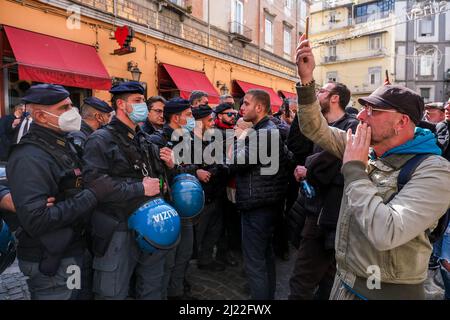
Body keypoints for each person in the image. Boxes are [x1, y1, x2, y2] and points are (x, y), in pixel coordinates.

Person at [295, 34, 450, 299]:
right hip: (345, 284)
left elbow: (387, 231)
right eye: (364, 107)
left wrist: (355, 170)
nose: (362, 116)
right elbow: (314, 128)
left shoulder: (434, 170)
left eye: (374, 111)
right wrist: (307, 81)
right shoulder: (363, 144)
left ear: (402, 122)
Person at [7, 84, 114, 300]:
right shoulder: (30, 156)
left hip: (72, 250)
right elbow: (37, 220)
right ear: (40, 116)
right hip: (52, 257)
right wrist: (92, 194)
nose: (72, 113)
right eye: (64, 108)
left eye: (71, 106)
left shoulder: (62, 143)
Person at [82, 81, 174, 300]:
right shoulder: (101, 139)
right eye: (138, 101)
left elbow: (156, 178)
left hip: (150, 223)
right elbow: (94, 184)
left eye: (143, 100)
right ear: (121, 105)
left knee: (152, 285)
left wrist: (170, 166)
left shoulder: (142, 138)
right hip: (118, 227)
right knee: (113, 291)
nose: (142, 105)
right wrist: (138, 188)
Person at [288, 82, 358, 300]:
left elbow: (335, 165)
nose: (318, 95)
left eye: (322, 92)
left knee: (304, 279)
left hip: (330, 215)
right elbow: (296, 146)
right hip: (315, 209)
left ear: (335, 98)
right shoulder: (323, 125)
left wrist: (308, 168)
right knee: (324, 277)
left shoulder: (351, 126)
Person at [231, 89, 289, 300]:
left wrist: (238, 139)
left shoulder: (263, 133)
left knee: (255, 262)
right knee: (265, 258)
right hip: (266, 204)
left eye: (245, 104)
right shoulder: (267, 130)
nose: (241, 108)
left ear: (259, 107)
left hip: (258, 206)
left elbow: (236, 161)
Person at [149, 98, 198, 300]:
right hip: (167, 207)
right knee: (168, 257)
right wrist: (173, 167)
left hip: (186, 205)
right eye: (189, 114)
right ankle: (166, 293)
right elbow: (155, 177)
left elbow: (192, 166)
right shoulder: (156, 141)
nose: (192, 118)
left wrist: (181, 167)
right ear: (176, 118)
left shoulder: (188, 139)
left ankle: (176, 291)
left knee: (185, 253)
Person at [191, 105, 227, 272]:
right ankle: (183, 273)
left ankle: (205, 260)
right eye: (209, 120)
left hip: (216, 193)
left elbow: (220, 161)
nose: (213, 123)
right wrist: (197, 170)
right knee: (196, 236)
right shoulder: (188, 141)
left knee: (213, 231)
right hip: (200, 198)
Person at [213, 103, 240, 267]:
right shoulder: (215, 133)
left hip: (232, 183)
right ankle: (222, 253)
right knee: (221, 223)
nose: (233, 117)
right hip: (220, 183)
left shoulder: (233, 131)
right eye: (229, 114)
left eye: (234, 114)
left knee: (231, 221)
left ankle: (229, 251)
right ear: (219, 115)